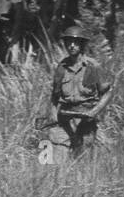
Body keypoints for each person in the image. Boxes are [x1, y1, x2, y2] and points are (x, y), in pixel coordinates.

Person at [42, 24, 112, 156]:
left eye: (75, 42)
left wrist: (94, 112)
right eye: (69, 42)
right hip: (65, 120)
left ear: (82, 44)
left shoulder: (92, 67)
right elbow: (54, 96)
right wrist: (52, 115)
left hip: (85, 121)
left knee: (82, 160)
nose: (72, 46)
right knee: (54, 162)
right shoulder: (62, 67)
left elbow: (107, 92)